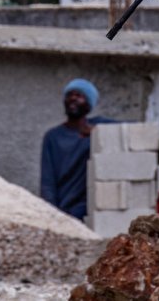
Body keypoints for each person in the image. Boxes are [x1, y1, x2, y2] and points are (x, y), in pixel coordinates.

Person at [39, 78, 114, 220]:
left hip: (92, 211)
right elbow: (47, 182)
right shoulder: (53, 137)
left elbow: (133, 129)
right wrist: (51, 214)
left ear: (89, 104)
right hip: (64, 210)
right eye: (70, 94)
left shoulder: (99, 126)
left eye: (79, 95)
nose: (73, 98)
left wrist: (98, 131)